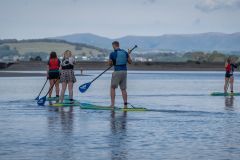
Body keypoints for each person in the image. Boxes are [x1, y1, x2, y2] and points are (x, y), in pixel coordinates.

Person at [109, 41, 132, 108]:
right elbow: (130, 62)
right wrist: (129, 54)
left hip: (117, 72)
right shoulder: (125, 52)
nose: (112, 47)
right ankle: (125, 105)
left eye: (112, 46)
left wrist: (112, 62)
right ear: (119, 45)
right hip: (124, 72)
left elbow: (110, 64)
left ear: (114, 45)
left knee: (112, 88)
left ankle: (112, 105)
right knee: (123, 89)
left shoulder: (112, 53)